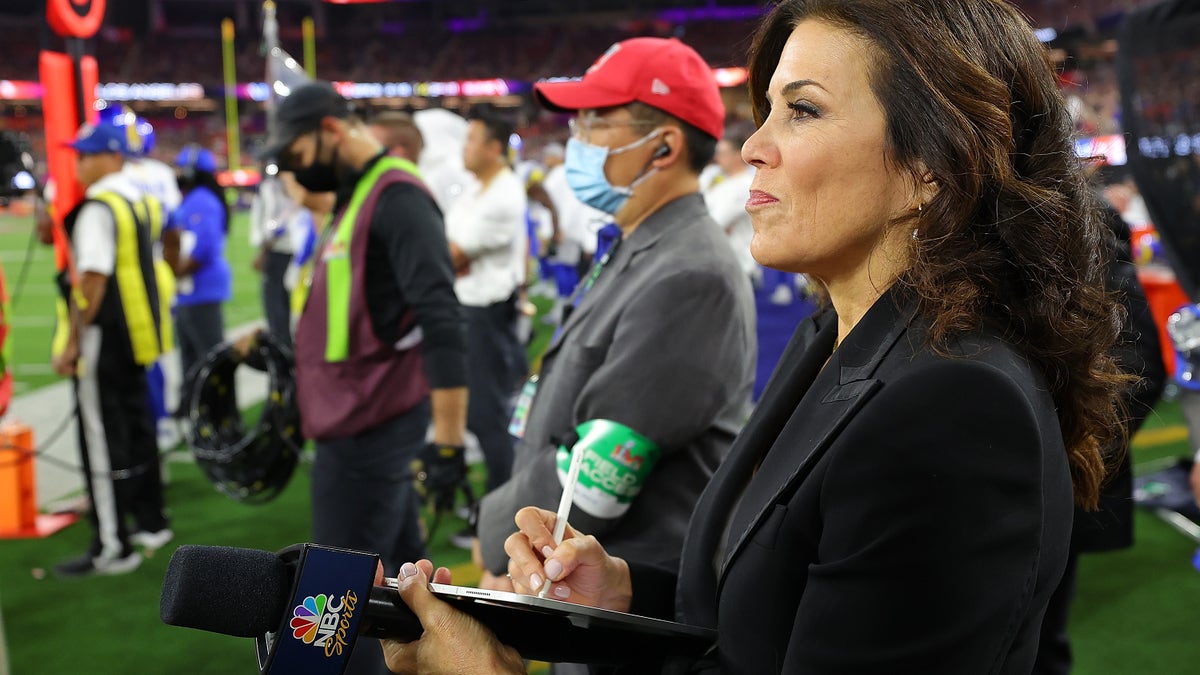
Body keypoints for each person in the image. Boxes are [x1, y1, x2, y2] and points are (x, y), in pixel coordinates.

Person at [380, 2, 1132, 673]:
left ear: (930, 167)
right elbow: (757, 608)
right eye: (766, 110)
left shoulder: (950, 403)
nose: (752, 146)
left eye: (802, 110)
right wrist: (624, 589)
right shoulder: (838, 337)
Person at [469, 34, 756, 663]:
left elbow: (600, 468)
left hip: (630, 603)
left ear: (664, 145)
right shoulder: (639, 246)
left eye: (597, 120)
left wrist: (496, 536)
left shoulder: (689, 273)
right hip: (584, 581)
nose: (577, 136)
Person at [255, 80, 468, 675]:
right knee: (405, 582)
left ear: (328, 130)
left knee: (334, 604)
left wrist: (448, 441)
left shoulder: (396, 197)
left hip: (369, 427)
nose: (294, 169)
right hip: (358, 420)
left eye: (295, 153)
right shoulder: (361, 195)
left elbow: (442, 322)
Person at [51, 122, 170, 577]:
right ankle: (150, 521)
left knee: (101, 440)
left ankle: (111, 544)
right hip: (137, 334)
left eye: (85, 155)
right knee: (137, 429)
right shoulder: (135, 199)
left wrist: (74, 344)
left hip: (105, 337)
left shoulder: (99, 206)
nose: (78, 164)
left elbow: (94, 278)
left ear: (110, 156)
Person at [443, 110, 528, 500]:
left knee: (486, 416)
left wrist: (449, 260)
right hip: (472, 310)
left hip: (485, 314)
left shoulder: (503, 193)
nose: (465, 148)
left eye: (472, 139)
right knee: (479, 414)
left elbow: (450, 257)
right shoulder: (479, 189)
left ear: (495, 149)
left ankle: (498, 513)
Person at [166, 145, 231, 411]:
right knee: (190, 353)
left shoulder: (203, 200)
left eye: (182, 167)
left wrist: (178, 270)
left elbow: (204, 247)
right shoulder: (192, 198)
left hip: (201, 287)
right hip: (188, 290)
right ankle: (192, 405)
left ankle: (220, 411)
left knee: (209, 354)